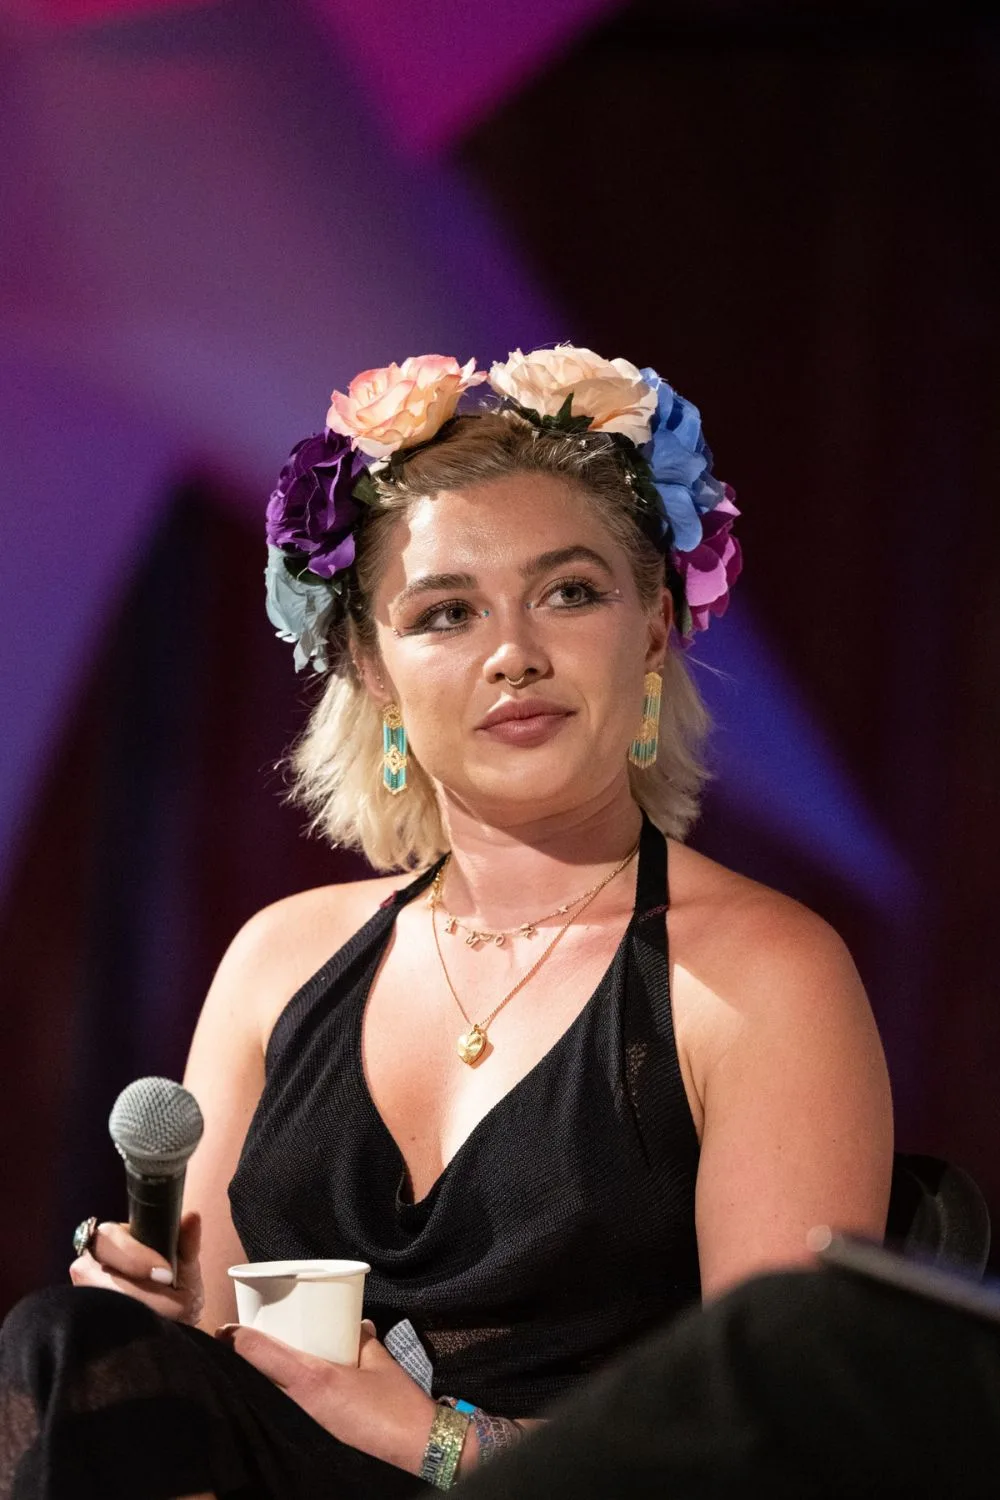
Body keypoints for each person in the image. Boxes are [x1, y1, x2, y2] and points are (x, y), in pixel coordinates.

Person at [0, 345, 892, 1497]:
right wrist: (156, 1318)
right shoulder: (281, 958)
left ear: (653, 632)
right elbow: (212, 1348)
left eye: (569, 594)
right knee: (69, 1344)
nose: (514, 653)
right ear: (371, 670)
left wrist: (434, 1439)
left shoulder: (766, 973)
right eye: (447, 612)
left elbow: (784, 1444)